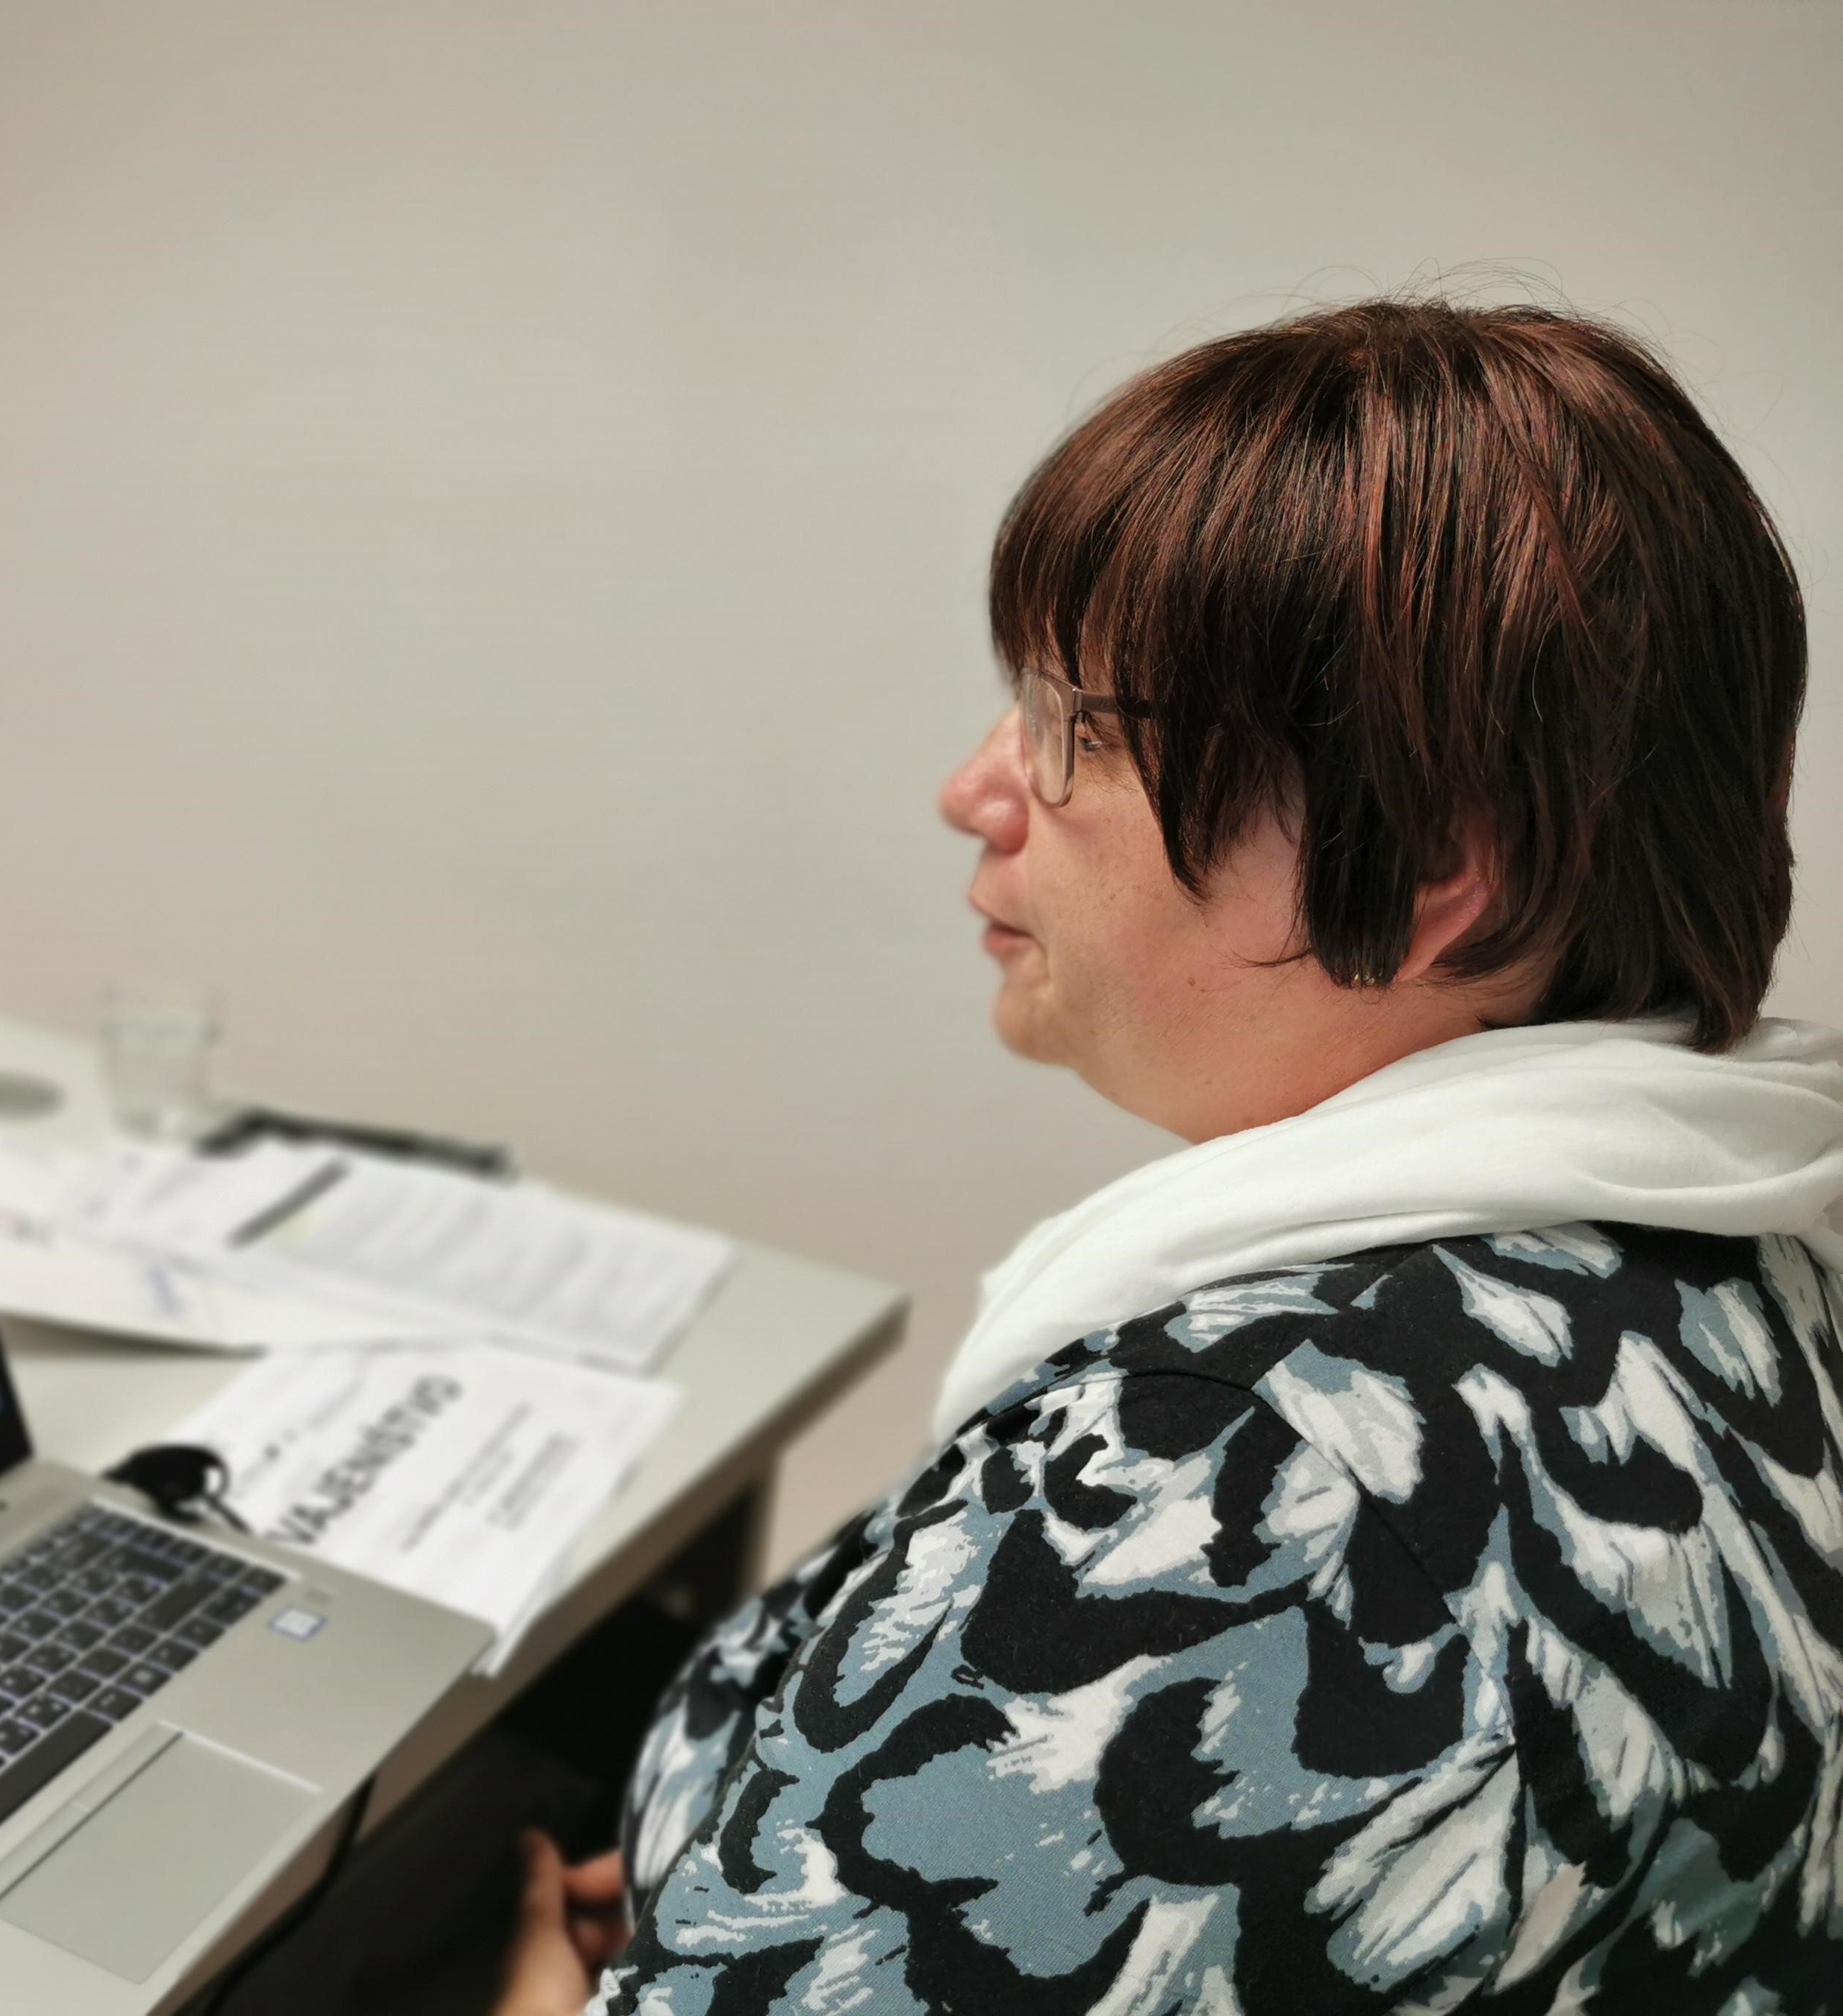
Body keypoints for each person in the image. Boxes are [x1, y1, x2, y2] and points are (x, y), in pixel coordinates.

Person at [493, 298, 1843, 2013]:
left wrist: (534, 1976)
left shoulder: (1271, 1505)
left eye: (1083, 727)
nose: (976, 788)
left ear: (1430, 862)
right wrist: (779, 1895)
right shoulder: (1738, 1271)